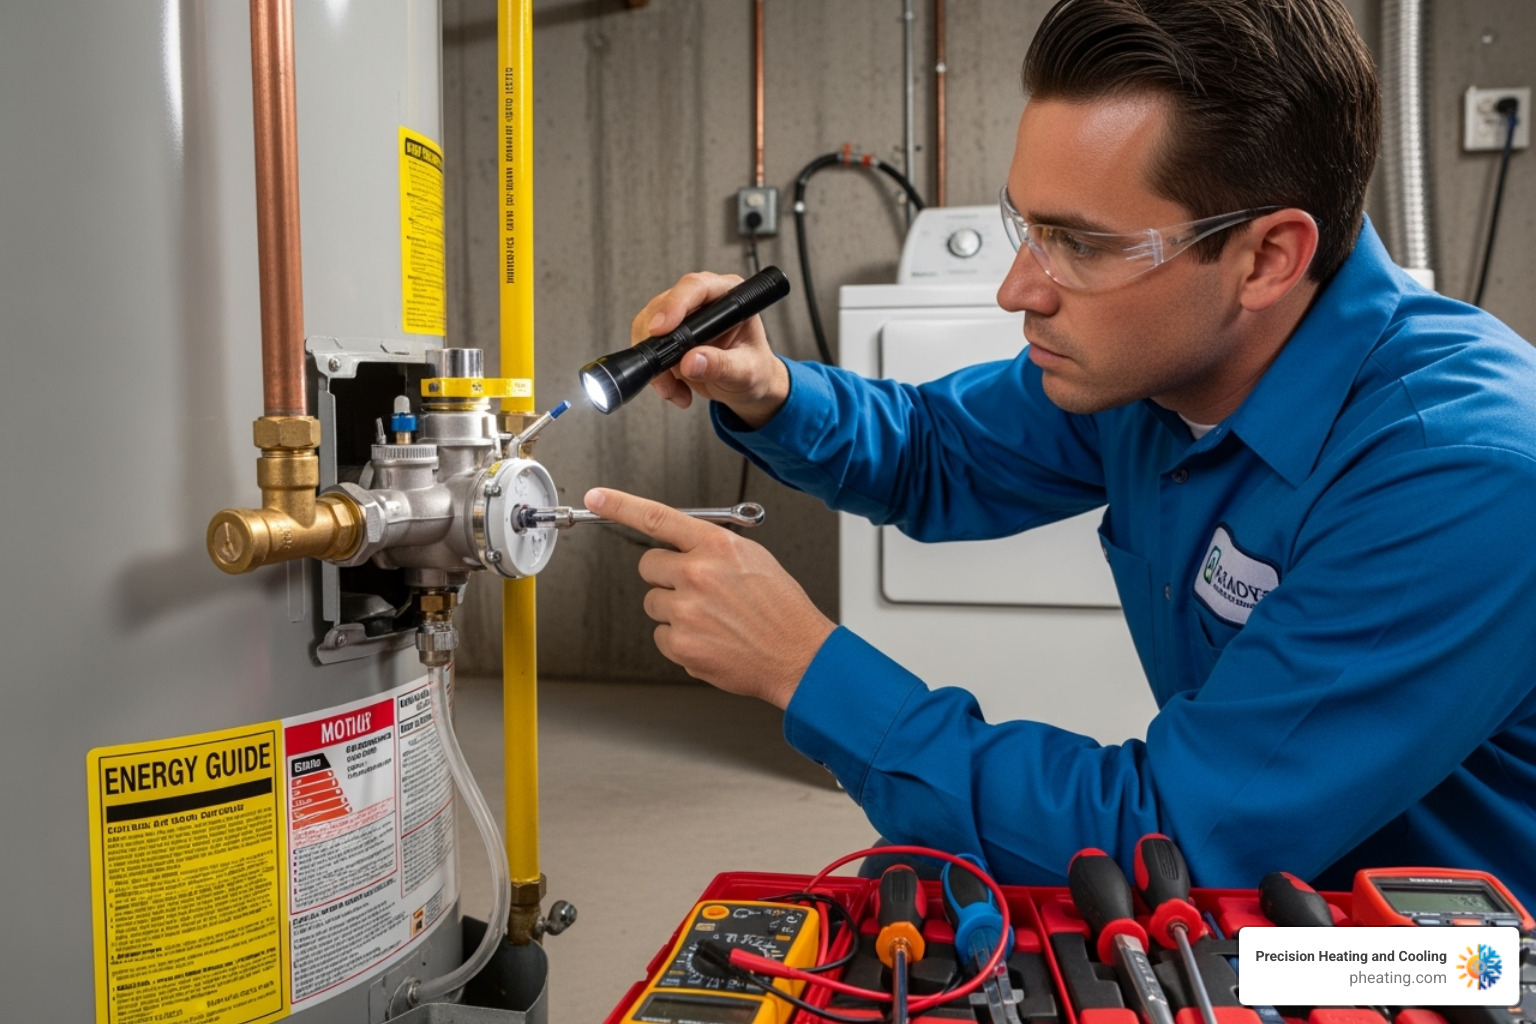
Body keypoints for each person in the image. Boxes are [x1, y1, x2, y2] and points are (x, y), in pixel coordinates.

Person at [584, 0, 1536, 907]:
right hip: (1280, 898)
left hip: (1441, 961)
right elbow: (937, 450)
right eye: (1026, 227)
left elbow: (1167, 839)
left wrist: (806, 666)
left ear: (1267, 258)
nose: (1015, 290)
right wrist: (771, 391)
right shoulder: (1156, 370)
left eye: (1079, 243)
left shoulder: (1459, 473)